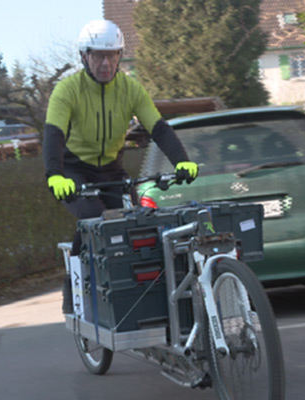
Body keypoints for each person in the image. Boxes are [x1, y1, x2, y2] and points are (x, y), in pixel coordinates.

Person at [43, 19, 198, 313]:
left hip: (112, 169)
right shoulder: (67, 90)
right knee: (92, 219)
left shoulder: (130, 89)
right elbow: (53, 135)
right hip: (75, 170)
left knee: (136, 225)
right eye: (98, 55)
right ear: (84, 57)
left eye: (112, 55)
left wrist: (182, 161)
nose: (106, 63)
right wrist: (55, 175)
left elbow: (158, 128)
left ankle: (139, 295)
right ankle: (73, 287)